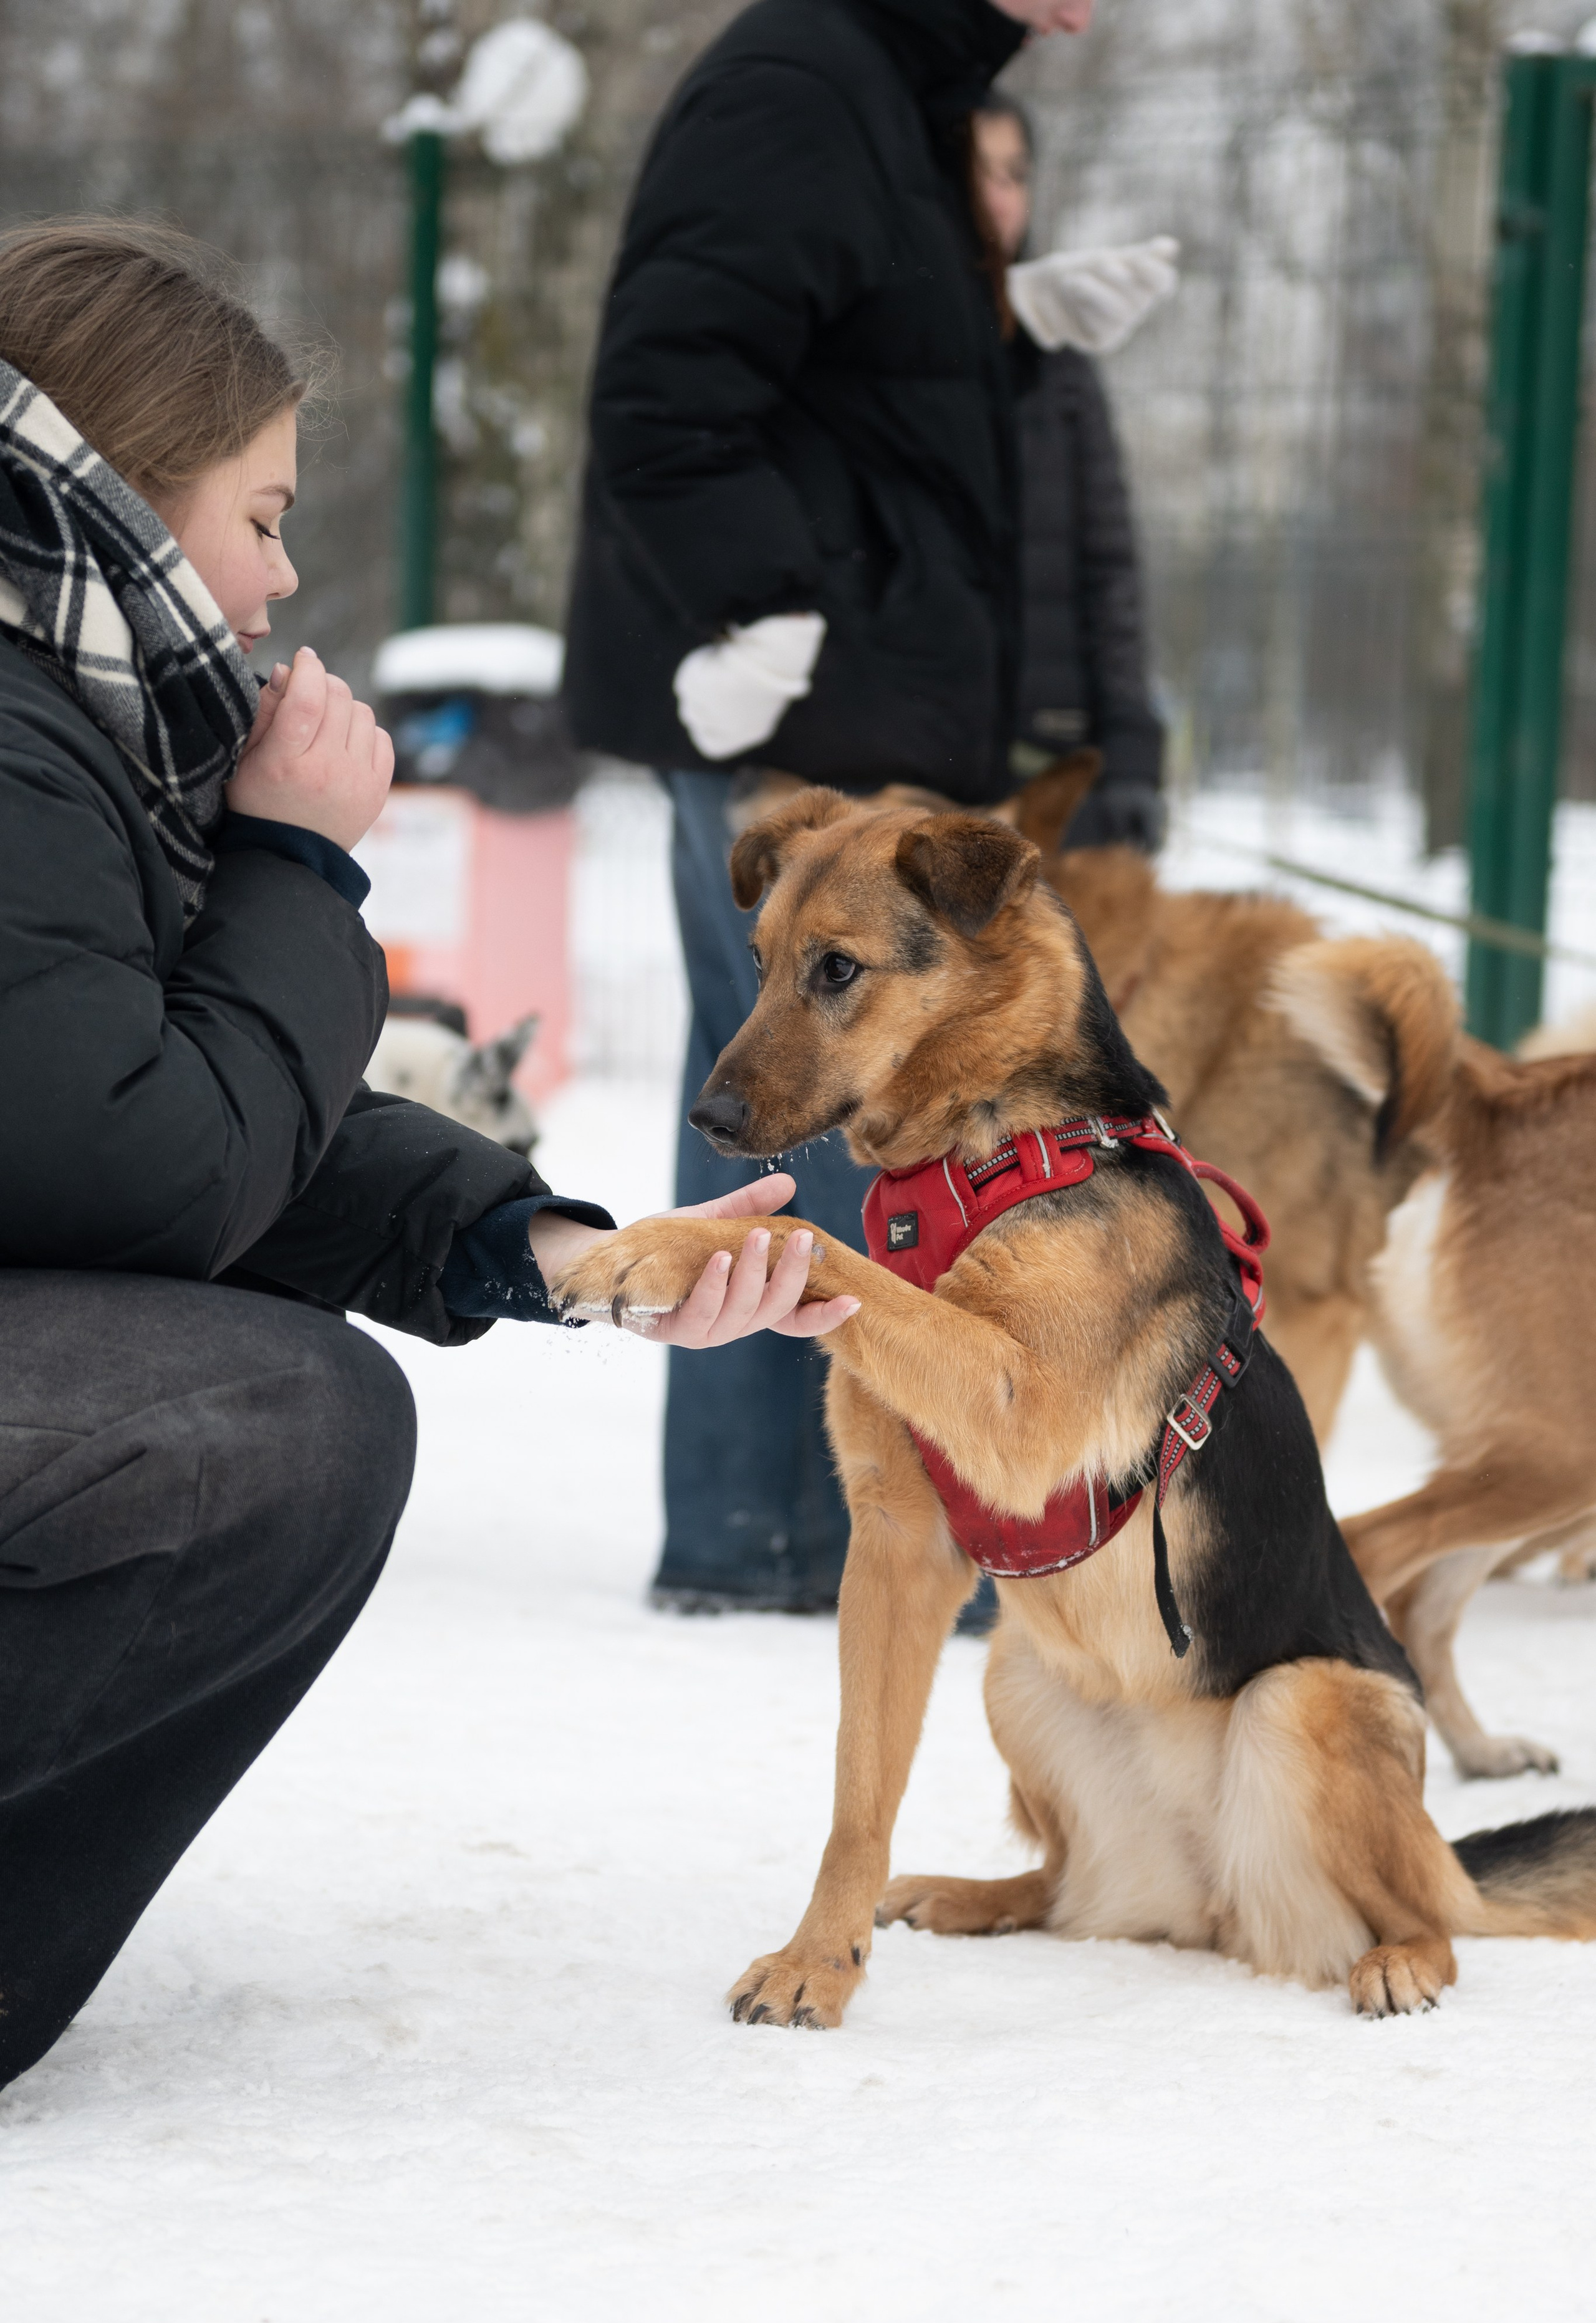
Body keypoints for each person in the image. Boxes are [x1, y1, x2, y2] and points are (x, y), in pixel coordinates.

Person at [0, 221, 855, 2094]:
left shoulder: (73, 723)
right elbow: (146, 1178)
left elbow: (122, 1114)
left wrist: (546, 1249)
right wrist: (299, 862)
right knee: (268, 1420)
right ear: (126, 488)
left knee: (275, 1399)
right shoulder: (18, 735)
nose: (282, 578)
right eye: (262, 512)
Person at [564, 0, 1098, 1616]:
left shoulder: (895, 88)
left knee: (843, 1096)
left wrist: (1003, 336)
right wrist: (758, 606)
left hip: (868, 701)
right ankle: (761, 1541)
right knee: (775, 1089)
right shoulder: (806, 81)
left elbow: (844, 391)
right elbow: (669, 387)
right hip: (789, 707)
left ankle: (835, 1528)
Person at [971, 95, 1168, 850]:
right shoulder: (873, 351)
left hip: (1054, 770)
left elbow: (1108, 567)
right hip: (920, 767)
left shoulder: (1061, 366)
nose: (998, 197)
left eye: (1015, 175)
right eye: (977, 172)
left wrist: (1130, 759)